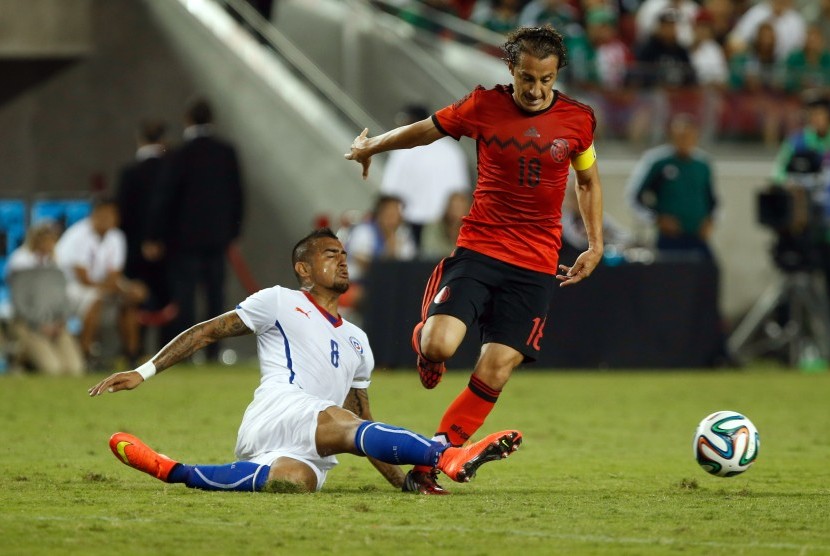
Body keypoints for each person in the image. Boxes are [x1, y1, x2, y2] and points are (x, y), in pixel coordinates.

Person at [345, 25, 603, 494]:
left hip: (536, 264)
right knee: (441, 347)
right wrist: (372, 146)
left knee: (497, 366)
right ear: (511, 69)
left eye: (546, 80)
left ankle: (430, 464)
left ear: (556, 74)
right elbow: (426, 130)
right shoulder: (483, 105)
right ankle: (425, 341)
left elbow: (587, 182)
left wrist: (595, 243)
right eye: (528, 78)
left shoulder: (579, 120)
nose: (536, 89)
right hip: (481, 249)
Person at [88, 229, 522, 494]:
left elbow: (364, 422)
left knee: (293, 483)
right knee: (337, 420)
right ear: (303, 269)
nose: (342, 259)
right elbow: (205, 331)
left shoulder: (357, 341)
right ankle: (446, 454)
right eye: (329, 254)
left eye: (344, 254)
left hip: (312, 444)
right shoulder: (277, 301)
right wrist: (143, 371)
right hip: (279, 410)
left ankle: (171, 470)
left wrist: (404, 482)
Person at [144, 97, 244, 361]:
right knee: (215, 299)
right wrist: (233, 233)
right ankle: (213, 354)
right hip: (217, 240)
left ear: (188, 119)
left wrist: (154, 235)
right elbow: (238, 195)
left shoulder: (179, 154)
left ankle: (186, 355)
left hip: (184, 242)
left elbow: (164, 198)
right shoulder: (226, 152)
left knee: (185, 300)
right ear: (212, 119)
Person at [55, 194, 147, 367]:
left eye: (111, 215)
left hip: (100, 285)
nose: (107, 219)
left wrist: (127, 290)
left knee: (130, 298)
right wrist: (112, 288)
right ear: (94, 215)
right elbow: (84, 278)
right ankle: (85, 355)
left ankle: (132, 355)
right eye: (103, 214)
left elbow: (115, 274)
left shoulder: (116, 237)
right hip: (69, 288)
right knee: (95, 298)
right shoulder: (77, 235)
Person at [116, 119, 175, 350]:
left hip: (133, 250)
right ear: (162, 140)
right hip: (168, 251)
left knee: (136, 299)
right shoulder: (171, 169)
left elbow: (123, 213)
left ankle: (134, 350)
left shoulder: (129, 173)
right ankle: (170, 353)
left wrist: (141, 243)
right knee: (168, 302)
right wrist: (159, 240)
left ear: (140, 139)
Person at [627, 114, 718, 261]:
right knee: (669, 278)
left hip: (697, 236)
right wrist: (656, 219)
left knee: (708, 272)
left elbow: (713, 199)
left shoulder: (703, 165)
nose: (684, 141)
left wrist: (711, 221)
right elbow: (635, 197)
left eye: (688, 136)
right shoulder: (658, 162)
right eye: (680, 136)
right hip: (669, 238)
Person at [380, 104, 470, 247]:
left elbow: (389, 191)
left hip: (410, 221)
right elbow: (461, 191)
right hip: (443, 221)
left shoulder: (403, 148)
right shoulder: (451, 150)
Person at [6, 221, 85, 376]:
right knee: (52, 369)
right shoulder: (20, 263)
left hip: (56, 325)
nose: (48, 243)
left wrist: (60, 321)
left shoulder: (57, 264)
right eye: (44, 239)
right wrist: (39, 324)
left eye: (51, 239)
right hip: (30, 325)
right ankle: (20, 359)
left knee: (75, 369)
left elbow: (65, 298)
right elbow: (19, 303)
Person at [419, 191, 473, 260]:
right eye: (453, 206)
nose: (455, 211)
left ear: (468, 210)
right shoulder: (432, 227)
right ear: (446, 208)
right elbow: (429, 252)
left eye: (459, 207)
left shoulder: (473, 231)